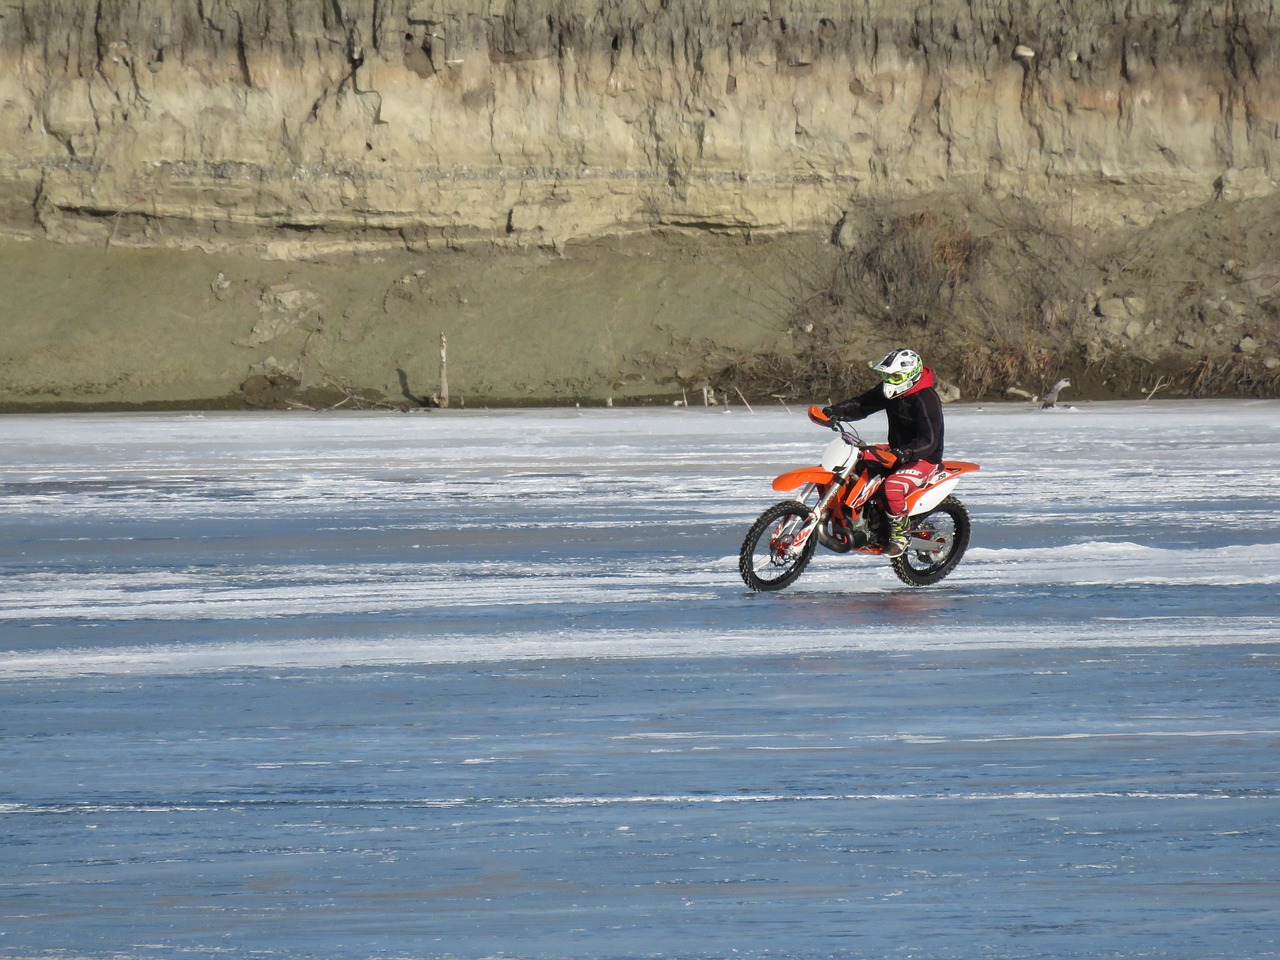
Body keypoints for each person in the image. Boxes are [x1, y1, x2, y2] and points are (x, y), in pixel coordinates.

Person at [823, 348, 943, 558]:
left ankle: (900, 535)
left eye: (894, 376)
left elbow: (929, 441)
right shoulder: (891, 389)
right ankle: (855, 519)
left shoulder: (926, 399)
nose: (889, 380)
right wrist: (834, 412)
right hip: (896, 451)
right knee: (853, 460)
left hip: (923, 457)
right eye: (886, 375)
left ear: (910, 376)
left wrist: (905, 453)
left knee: (892, 487)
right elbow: (862, 405)